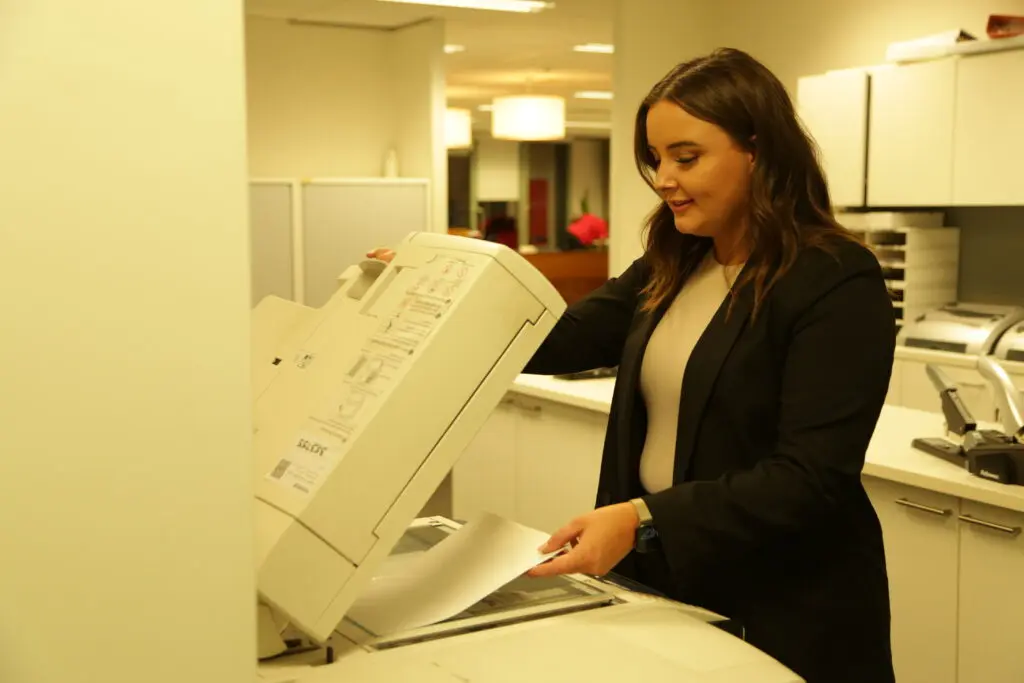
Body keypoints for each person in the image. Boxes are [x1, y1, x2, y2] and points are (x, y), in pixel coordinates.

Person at [369, 47, 897, 683]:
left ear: (757, 150)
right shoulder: (675, 264)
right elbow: (557, 341)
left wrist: (643, 517)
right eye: (657, 159)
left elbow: (810, 478)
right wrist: (442, 297)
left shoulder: (835, 279)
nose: (663, 178)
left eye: (686, 157)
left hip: (787, 599)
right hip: (670, 574)